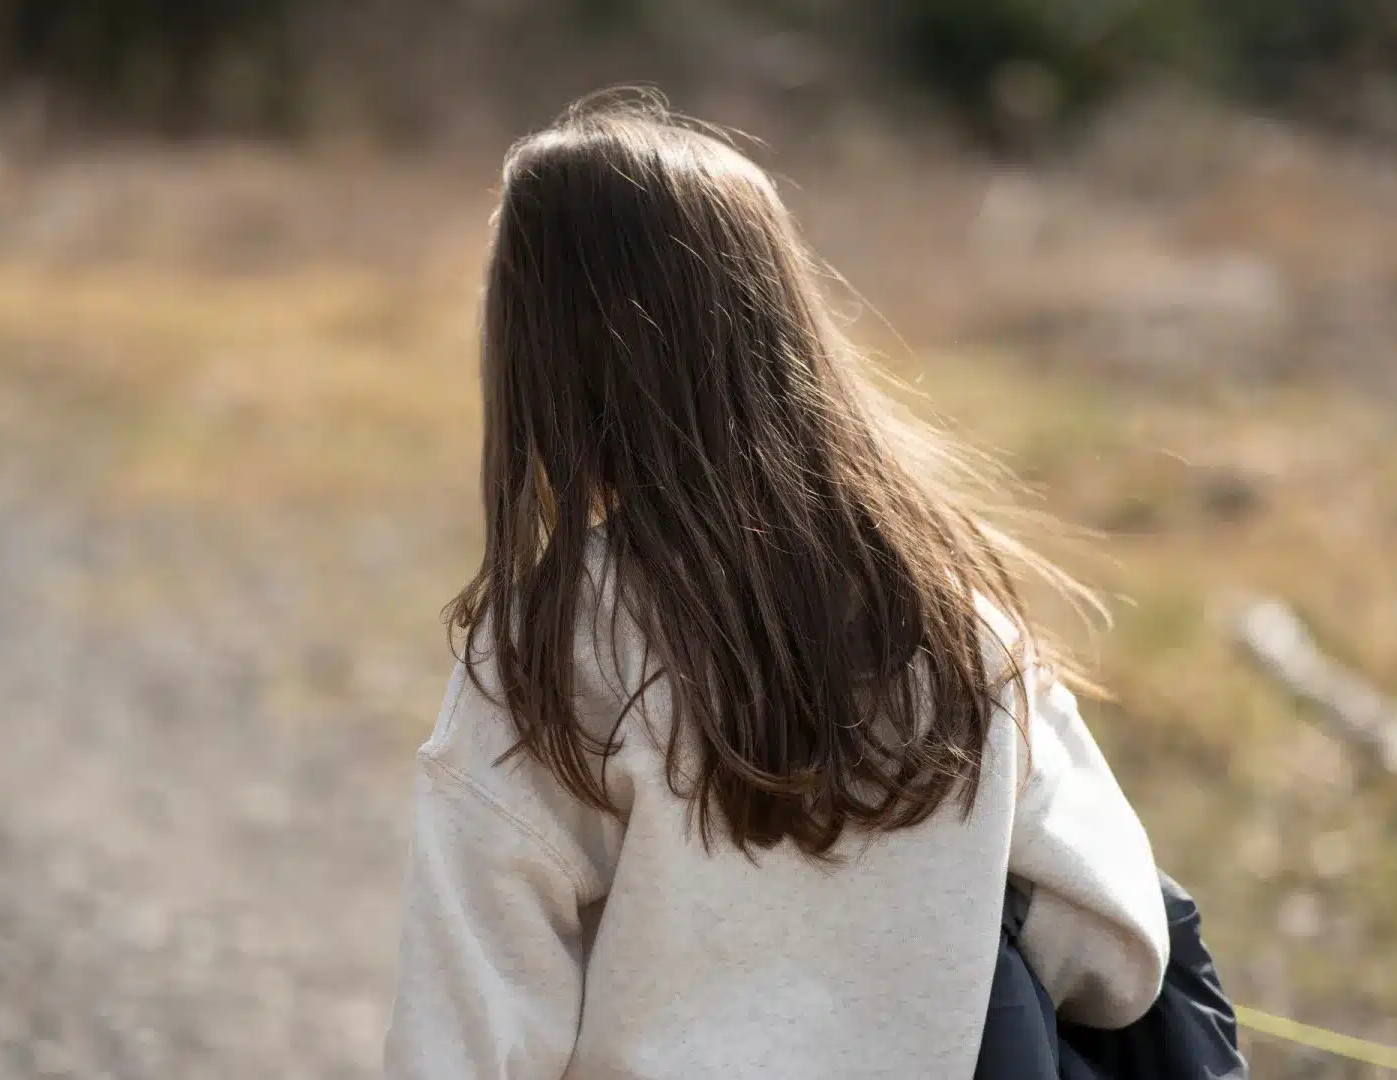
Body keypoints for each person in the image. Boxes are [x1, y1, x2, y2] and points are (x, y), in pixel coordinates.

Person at [383, 93, 1169, 1080]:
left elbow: (469, 1020)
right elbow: (1110, 944)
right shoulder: (948, 608)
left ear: (548, 356)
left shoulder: (556, 642)